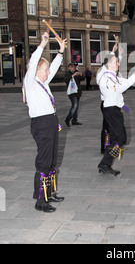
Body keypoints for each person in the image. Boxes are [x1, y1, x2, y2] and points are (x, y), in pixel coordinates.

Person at [23, 31, 67, 213]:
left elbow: (55, 68)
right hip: (41, 124)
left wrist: (61, 52)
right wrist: (42, 44)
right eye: (46, 69)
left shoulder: (43, 83)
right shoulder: (30, 82)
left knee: (51, 161)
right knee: (43, 162)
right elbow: (33, 63)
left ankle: (49, 193)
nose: (49, 72)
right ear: (38, 71)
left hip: (50, 122)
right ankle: (40, 200)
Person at [97, 55, 135, 176]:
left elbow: (126, 82)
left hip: (114, 109)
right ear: (110, 64)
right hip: (111, 110)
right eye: (116, 62)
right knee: (121, 138)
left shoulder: (113, 76)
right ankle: (105, 163)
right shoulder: (106, 78)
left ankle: (105, 164)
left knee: (114, 139)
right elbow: (121, 87)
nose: (118, 64)